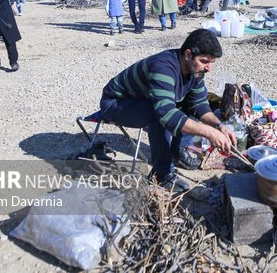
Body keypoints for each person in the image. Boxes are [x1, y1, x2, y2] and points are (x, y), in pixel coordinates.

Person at [99, 29, 236, 193]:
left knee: (186, 107)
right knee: (159, 115)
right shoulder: (163, 67)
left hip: (143, 100)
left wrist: (218, 125)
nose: (209, 68)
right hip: (116, 103)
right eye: (205, 61)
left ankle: (178, 153)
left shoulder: (196, 71)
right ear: (187, 54)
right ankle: (161, 174)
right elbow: (166, 115)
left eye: (212, 62)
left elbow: (199, 105)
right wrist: (210, 133)